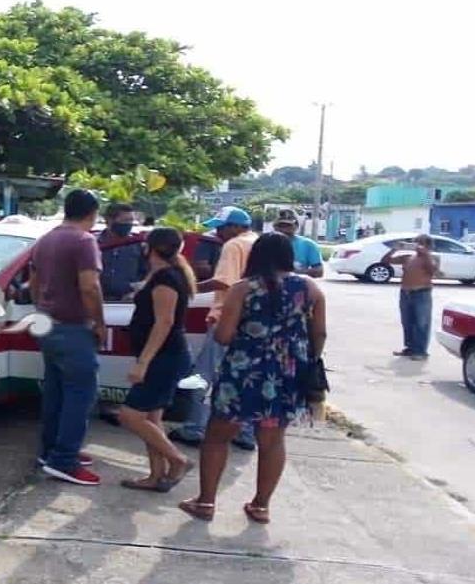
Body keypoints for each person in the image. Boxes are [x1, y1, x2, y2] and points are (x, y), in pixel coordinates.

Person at [179, 233, 328, 524]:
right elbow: (319, 333)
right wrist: (304, 357)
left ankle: (206, 502)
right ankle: (261, 506)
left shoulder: (242, 289)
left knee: (217, 437)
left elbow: (222, 336)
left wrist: (250, 337)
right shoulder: (309, 288)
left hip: (242, 372)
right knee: (272, 440)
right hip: (287, 374)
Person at [30, 189, 105, 486]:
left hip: (48, 324)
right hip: (73, 327)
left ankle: (50, 451)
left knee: (56, 391)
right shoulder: (84, 241)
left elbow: (34, 281)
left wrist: (41, 309)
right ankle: (64, 460)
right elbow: (90, 286)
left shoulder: (46, 239)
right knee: (80, 394)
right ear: (92, 212)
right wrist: (99, 321)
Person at [169, 207, 258, 451]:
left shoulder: (234, 245)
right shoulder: (258, 242)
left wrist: (188, 287)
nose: (218, 232)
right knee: (245, 379)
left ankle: (194, 428)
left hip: (226, 318)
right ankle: (246, 432)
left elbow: (223, 281)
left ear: (236, 226)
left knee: (203, 375)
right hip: (253, 322)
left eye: (221, 227)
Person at [118, 228, 197, 493]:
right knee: (152, 418)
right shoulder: (162, 273)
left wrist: (144, 363)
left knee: (130, 415)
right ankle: (156, 475)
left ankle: (178, 460)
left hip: (164, 358)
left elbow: (164, 322)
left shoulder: (166, 278)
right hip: (162, 356)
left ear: (149, 247)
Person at [382, 235, 439, 360]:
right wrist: (394, 249)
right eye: (416, 242)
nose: (417, 245)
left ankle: (420, 351)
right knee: (407, 322)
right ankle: (410, 348)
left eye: (421, 243)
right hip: (406, 292)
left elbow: (433, 270)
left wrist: (426, 254)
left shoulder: (431, 257)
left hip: (421, 292)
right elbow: (385, 261)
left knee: (421, 322)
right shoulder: (409, 257)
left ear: (428, 245)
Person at [98, 203, 146, 302]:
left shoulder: (137, 245)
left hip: (128, 302)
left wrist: (136, 293)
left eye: (131, 220)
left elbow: (146, 274)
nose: (129, 224)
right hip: (99, 300)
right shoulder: (94, 244)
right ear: (110, 220)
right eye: (125, 221)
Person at [272, 209, 324, 278]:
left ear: (296, 226)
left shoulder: (308, 245)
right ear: (274, 227)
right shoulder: (265, 243)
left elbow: (319, 271)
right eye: (280, 226)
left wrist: (294, 272)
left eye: (288, 225)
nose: (284, 229)